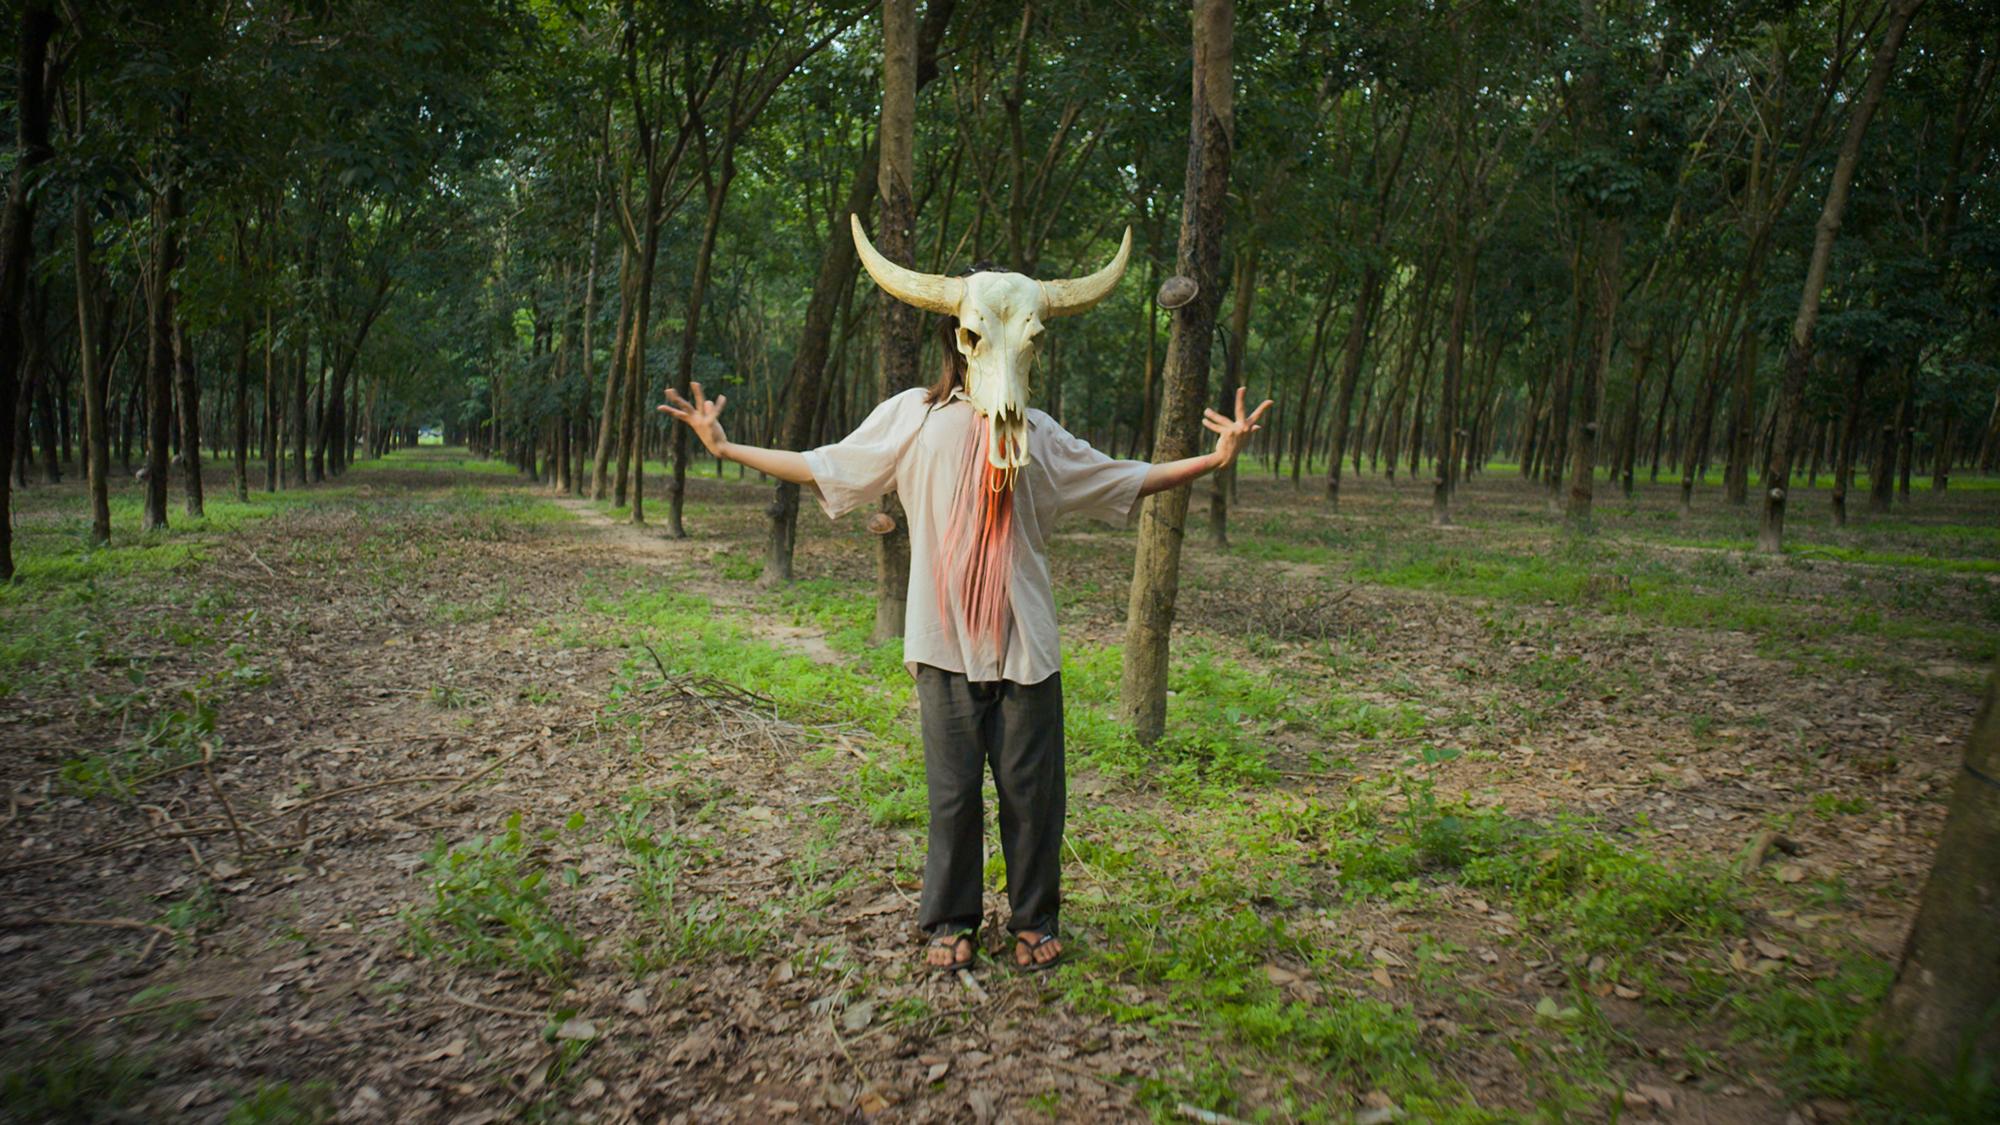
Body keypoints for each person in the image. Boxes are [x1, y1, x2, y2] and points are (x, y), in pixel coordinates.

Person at [660, 314, 1270, 973]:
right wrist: (725, 448)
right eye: (984, 333)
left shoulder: (1039, 433)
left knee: (1032, 797)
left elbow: (1125, 476)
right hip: (943, 640)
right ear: (960, 341)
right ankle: (952, 918)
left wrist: (1215, 460)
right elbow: (823, 465)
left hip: (1026, 645)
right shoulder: (915, 417)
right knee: (952, 796)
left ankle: (1035, 919)